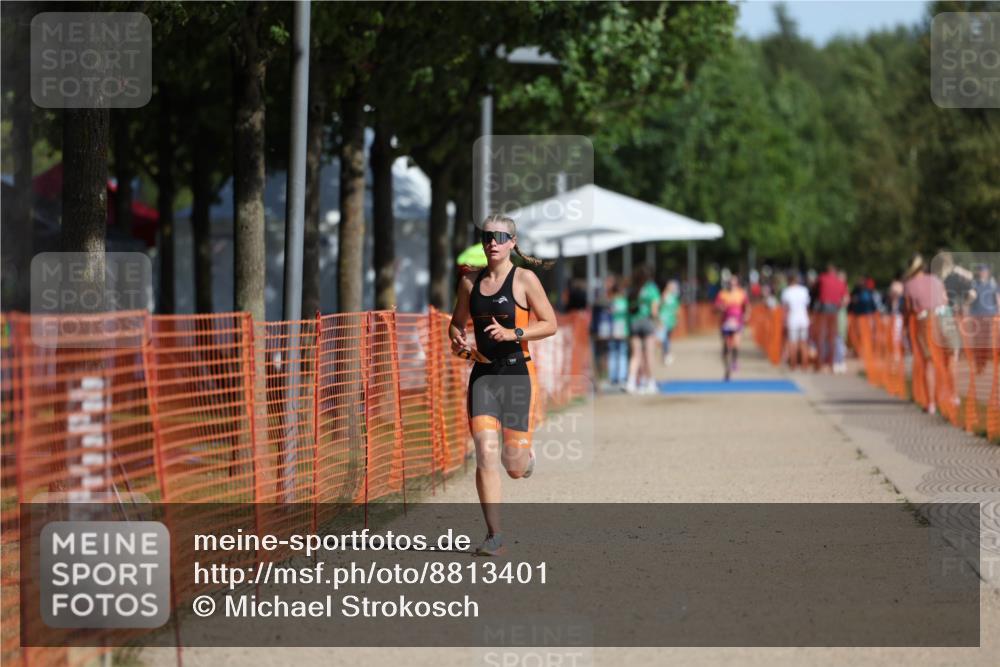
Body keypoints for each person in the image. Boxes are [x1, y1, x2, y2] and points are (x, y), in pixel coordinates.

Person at [449, 214, 557, 556]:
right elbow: (455, 326)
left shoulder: (524, 279)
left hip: (516, 374)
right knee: (484, 452)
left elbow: (550, 323)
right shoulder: (469, 283)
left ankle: (526, 458)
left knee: (513, 465)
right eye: (486, 236)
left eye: (499, 236)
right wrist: (459, 341)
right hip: (482, 375)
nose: (492, 242)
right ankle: (494, 535)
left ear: (512, 242)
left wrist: (514, 333)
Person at [902, 253, 947, 415]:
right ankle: (947, 398)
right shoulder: (936, 280)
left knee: (928, 362)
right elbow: (945, 300)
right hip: (942, 320)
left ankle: (932, 403)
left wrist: (906, 328)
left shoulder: (909, 285)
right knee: (942, 361)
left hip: (923, 322)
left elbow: (908, 310)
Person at [626, 266, 660, 394]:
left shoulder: (633, 288)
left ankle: (631, 382)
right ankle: (649, 382)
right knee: (649, 354)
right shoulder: (652, 289)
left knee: (635, 354)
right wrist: (658, 323)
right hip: (647, 322)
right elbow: (654, 311)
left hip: (634, 322)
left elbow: (629, 307)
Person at [714, 273, 749, 381]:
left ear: (737, 283)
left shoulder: (741, 293)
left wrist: (746, 315)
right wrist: (720, 308)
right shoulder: (722, 294)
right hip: (725, 323)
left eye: (734, 282)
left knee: (736, 344)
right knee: (725, 347)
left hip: (738, 323)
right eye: (730, 282)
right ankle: (727, 369)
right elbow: (716, 307)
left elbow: (747, 306)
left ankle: (734, 360)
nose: (732, 285)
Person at [815, 263, 848, 372]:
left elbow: (815, 289)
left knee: (821, 335)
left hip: (824, 307)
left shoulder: (822, 278)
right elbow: (844, 298)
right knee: (832, 337)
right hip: (834, 309)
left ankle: (820, 363)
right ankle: (831, 364)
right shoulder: (840, 282)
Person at [781, 272, 811, 370]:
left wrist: (783, 321)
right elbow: (807, 306)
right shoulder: (804, 290)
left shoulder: (787, 291)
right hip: (803, 319)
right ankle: (804, 364)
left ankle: (793, 364)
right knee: (804, 343)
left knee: (792, 342)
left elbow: (785, 308)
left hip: (792, 319)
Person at [607, 276, 630, 388]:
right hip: (623, 330)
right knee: (622, 353)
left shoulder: (611, 302)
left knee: (613, 353)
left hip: (612, 330)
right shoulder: (625, 301)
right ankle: (621, 377)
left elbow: (608, 316)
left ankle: (613, 377)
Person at [658, 280, 680, 365]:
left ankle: (666, 353)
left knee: (668, 338)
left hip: (671, 320)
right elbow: (659, 305)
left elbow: (676, 309)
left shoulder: (674, 297)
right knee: (664, 338)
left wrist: (677, 319)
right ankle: (666, 354)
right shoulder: (664, 295)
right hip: (664, 319)